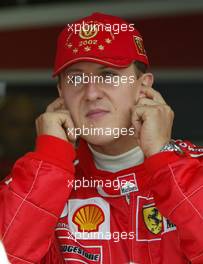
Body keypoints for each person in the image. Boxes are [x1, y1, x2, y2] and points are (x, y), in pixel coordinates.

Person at [1, 12, 203, 264]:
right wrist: (49, 162)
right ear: (61, 94)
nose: (91, 93)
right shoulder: (38, 184)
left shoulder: (195, 170)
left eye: (108, 75)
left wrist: (165, 161)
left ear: (143, 88)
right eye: (76, 78)